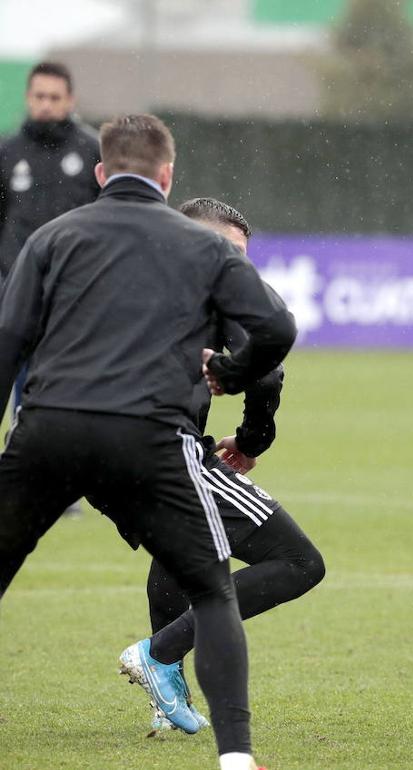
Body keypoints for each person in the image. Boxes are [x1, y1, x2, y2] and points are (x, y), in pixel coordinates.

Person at [0, 114, 296, 770]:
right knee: (213, 590)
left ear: (101, 173)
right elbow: (276, 331)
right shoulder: (205, 250)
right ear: (168, 176)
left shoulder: (52, 237)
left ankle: (165, 675)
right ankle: (237, 758)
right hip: (147, 436)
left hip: (49, 428)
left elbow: (7, 340)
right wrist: (232, 375)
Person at [132, 197, 325, 735]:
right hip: (163, 449)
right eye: (228, 250)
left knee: (175, 550)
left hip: (91, 451)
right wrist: (251, 439)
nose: (237, 264)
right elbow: (266, 373)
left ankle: (164, 699)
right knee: (298, 562)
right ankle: (160, 654)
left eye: (244, 255)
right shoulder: (222, 296)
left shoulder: (126, 274)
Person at [0, 61, 100, 418]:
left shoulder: (92, 151)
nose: (46, 104)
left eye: (54, 97)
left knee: (75, 389)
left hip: (75, 292)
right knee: (19, 386)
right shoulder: (7, 151)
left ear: (70, 100)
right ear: (28, 98)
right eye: (39, 96)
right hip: (15, 289)